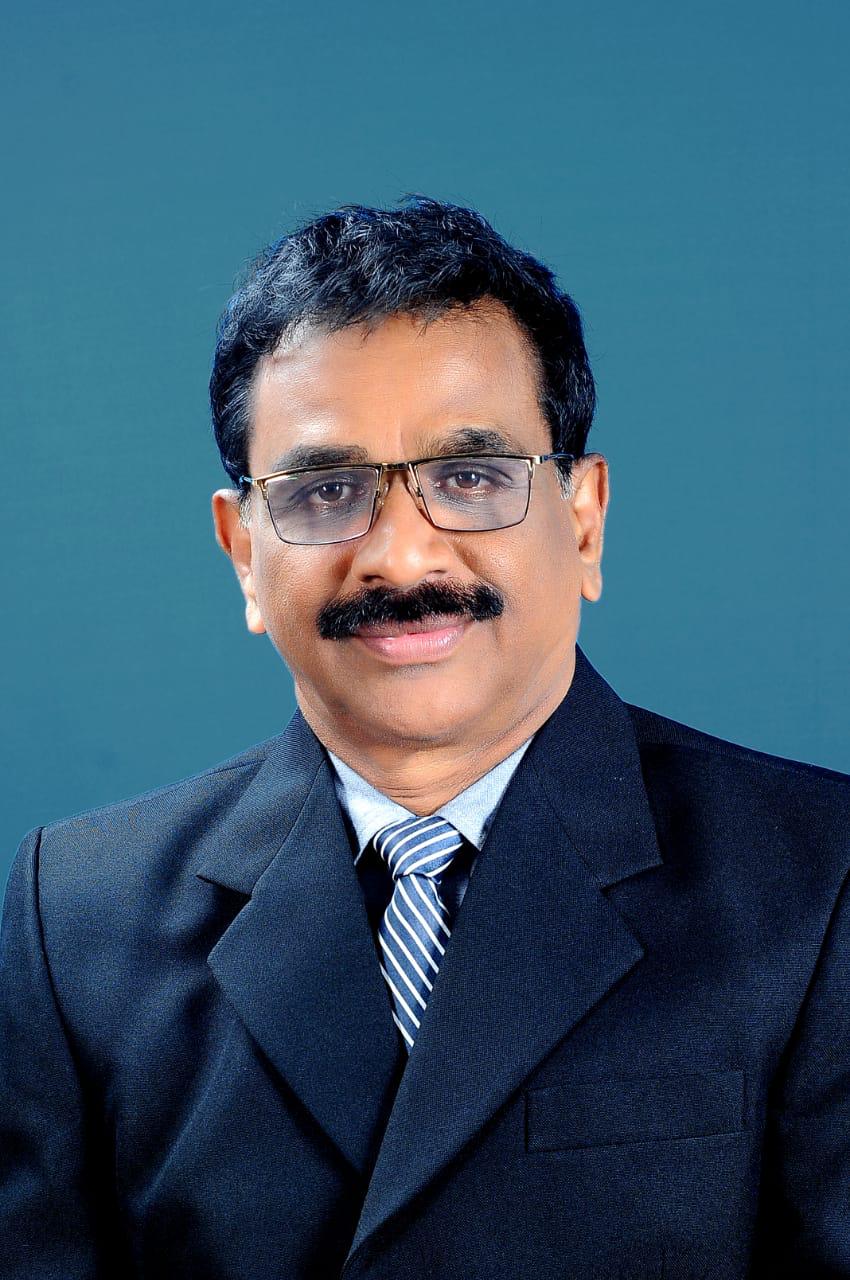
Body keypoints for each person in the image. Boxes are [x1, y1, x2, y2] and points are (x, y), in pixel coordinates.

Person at [1, 197, 849, 1280]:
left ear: (584, 519)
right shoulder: (75, 918)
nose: (402, 558)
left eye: (471, 477)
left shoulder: (818, 879)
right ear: (242, 553)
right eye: (325, 490)